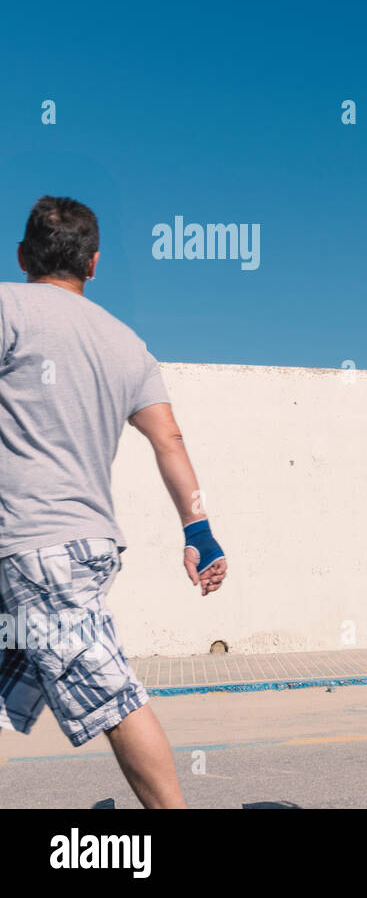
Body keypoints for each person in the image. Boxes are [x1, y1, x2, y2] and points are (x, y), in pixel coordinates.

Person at [0, 196, 227, 808]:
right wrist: (199, 532)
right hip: (79, 546)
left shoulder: (6, 305)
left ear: (22, 255)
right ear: (94, 264)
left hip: (34, 547)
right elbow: (168, 439)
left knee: (113, 696)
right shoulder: (127, 344)